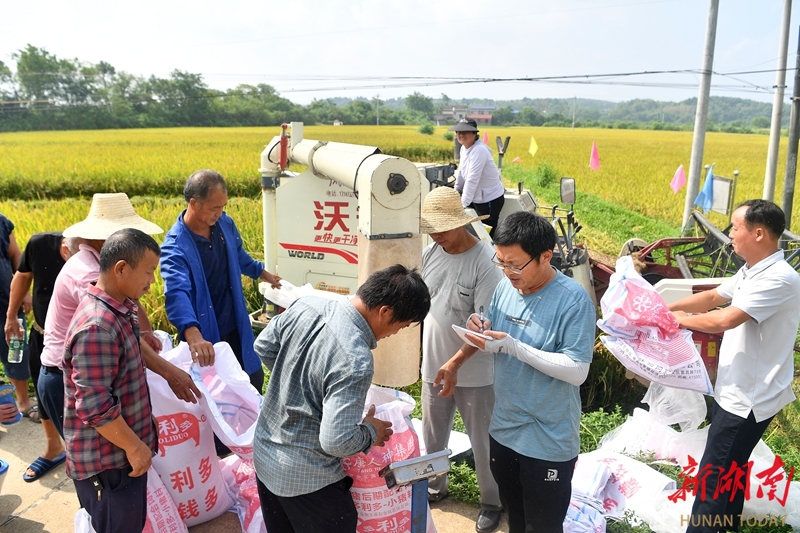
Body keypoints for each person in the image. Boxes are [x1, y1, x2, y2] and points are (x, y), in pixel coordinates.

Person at [435, 211, 595, 533]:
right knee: (517, 520)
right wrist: (477, 333)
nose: (507, 272)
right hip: (504, 430)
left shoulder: (573, 300)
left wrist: (514, 346)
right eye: (501, 262)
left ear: (545, 256)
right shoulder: (506, 287)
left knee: (543, 526)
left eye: (515, 264)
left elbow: (578, 371)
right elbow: (494, 331)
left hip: (547, 438)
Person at [252, 264, 430, 533]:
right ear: (385, 312)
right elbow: (336, 440)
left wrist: (295, 383)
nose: (394, 334)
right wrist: (372, 430)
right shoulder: (356, 358)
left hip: (266, 460)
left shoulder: (307, 305)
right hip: (308, 480)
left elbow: (263, 345)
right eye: (401, 326)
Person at [668, 200, 800, 533]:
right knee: (730, 472)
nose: (729, 235)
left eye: (735, 228)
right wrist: (664, 308)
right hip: (736, 391)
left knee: (713, 481)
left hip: (748, 399)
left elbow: (726, 318)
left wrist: (681, 320)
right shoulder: (753, 270)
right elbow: (713, 297)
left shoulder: (780, 279)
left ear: (758, 233)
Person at [38, 193, 199, 463]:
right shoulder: (90, 278)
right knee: (100, 465)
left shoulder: (107, 275)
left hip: (91, 372)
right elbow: (95, 402)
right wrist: (170, 372)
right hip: (70, 378)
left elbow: (130, 317)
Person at [62, 228, 161, 533]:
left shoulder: (120, 307)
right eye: (148, 272)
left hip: (120, 455)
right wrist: (136, 447)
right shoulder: (97, 326)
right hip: (109, 464)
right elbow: (94, 407)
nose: (152, 281)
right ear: (121, 269)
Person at [418, 187, 504, 532]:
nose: (435, 236)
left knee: (482, 440)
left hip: (473, 372)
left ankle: (491, 502)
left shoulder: (485, 263)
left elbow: (484, 328)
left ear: (461, 224)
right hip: (432, 367)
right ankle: (435, 488)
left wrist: (454, 363)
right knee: (433, 436)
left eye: (441, 229)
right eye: (431, 229)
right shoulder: (431, 253)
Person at [160, 169, 281, 393]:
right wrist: (192, 332)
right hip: (206, 335)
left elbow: (238, 255)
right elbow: (177, 292)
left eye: (223, 206)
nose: (220, 213)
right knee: (219, 395)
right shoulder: (175, 246)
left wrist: (262, 273)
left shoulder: (225, 224)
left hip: (236, 323)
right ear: (194, 204)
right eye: (214, 208)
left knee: (252, 381)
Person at [5, 232, 75, 481]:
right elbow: (22, 277)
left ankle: (88, 458)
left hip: (87, 344)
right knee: (45, 392)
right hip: (43, 335)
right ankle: (54, 448)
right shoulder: (41, 244)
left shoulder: (112, 252)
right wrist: (11, 315)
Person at [0, 214, 35, 423]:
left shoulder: (2, 223)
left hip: (8, 305)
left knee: (16, 351)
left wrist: (26, 292)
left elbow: (16, 257)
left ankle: (23, 401)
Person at [450, 118, 506, 237]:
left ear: (475, 133)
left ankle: (490, 254)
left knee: (485, 233)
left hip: (489, 199)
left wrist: (463, 204)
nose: (461, 135)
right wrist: (455, 192)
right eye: (459, 132)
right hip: (476, 197)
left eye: (465, 132)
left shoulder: (479, 150)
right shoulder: (464, 148)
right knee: (473, 230)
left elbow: (472, 179)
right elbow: (461, 171)